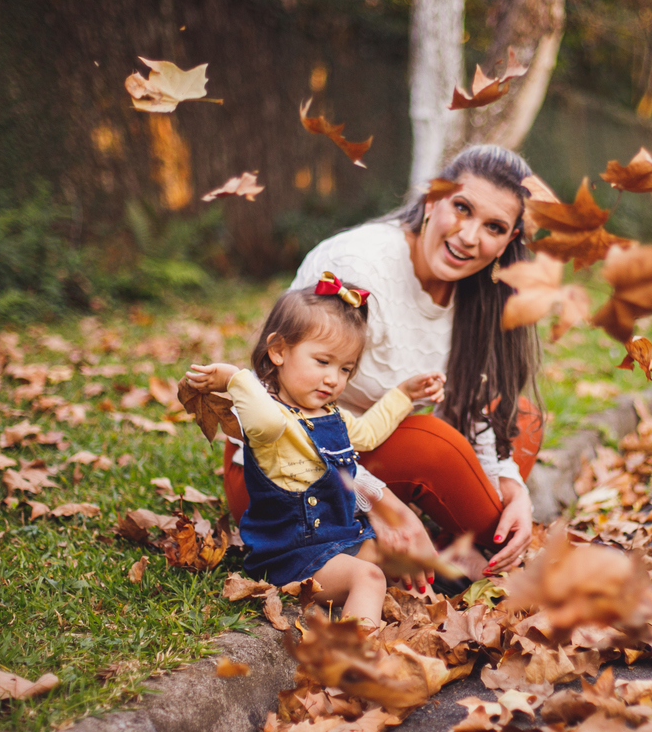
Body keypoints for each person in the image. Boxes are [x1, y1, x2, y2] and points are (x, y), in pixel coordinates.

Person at [223, 145, 546, 586]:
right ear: (433, 200)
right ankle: (488, 548)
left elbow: (477, 405)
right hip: (285, 479)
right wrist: (382, 503)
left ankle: (470, 543)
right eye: (461, 208)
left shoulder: (481, 293)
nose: (470, 236)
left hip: (369, 451)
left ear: (509, 241)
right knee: (433, 443)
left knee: (522, 417)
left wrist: (515, 489)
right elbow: (279, 413)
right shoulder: (359, 268)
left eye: (493, 227)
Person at [186, 276, 446, 627]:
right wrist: (236, 379)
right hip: (292, 556)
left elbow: (367, 434)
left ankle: (427, 627)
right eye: (323, 362)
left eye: (345, 369)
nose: (333, 379)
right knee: (368, 578)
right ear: (278, 351)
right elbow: (265, 420)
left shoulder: (330, 415)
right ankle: (354, 665)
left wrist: (403, 394)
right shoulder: (270, 419)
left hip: (338, 539)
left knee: (400, 557)